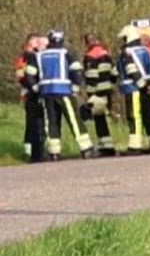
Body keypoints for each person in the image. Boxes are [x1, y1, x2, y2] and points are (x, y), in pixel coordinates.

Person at [33, 31, 95, 159]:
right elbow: (77, 70)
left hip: (46, 93)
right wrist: (75, 87)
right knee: (74, 119)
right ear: (61, 41)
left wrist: (36, 88)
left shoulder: (39, 55)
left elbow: (30, 74)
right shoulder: (66, 54)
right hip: (64, 92)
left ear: (50, 41)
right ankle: (86, 148)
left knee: (51, 122)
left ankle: (54, 152)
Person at [119, 28, 150, 153]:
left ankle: (135, 146)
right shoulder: (147, 51)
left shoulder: (127, 53)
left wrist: (142, 86)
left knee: (135, 116)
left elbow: (131, 70)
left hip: (133, 89)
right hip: (148, 90)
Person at [79, 35, 118, 156]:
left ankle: (105, 147)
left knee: (99, 119)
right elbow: (115, 73)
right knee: (105, 117)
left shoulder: (90, 56)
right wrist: (110, 84)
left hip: (96, 92)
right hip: (107, 90)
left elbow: (91, 76)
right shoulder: (107, 54)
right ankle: (108, 145)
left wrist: (90, 94)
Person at [15, 34, 48, 162]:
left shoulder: (36, 57)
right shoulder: (23, 58)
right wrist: (33, 87)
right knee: (32, 123)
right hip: (30, 94)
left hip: (36, 92)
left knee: (38, 122)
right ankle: (30, 150)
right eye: (35, 43)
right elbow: (21, 76)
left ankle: (36, 149)